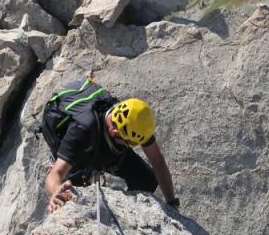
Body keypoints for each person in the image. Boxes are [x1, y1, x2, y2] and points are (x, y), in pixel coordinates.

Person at [41, 79, 177, 213]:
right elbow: (55, 175)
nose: (134, 146)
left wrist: (172, 202)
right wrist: (55, 191)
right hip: (79, 141)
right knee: (75, 195)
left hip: (106, 140)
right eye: (131, 144)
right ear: (115, 131)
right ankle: (58, 159)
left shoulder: (135, 123)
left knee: (146, 181)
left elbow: (158, 162)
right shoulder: (82, 130)